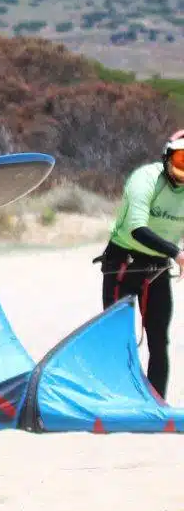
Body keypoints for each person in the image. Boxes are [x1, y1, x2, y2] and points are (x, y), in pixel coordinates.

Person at [94, 130, 184, 399]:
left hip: (158, 268)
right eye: (180, 160)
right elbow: (137, 229)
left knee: (159, 341)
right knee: (116, 337)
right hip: (124, 262)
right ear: (167, 157)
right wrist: (177, 254)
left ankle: (156, 405)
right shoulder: (146, 178)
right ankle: (114, 400)